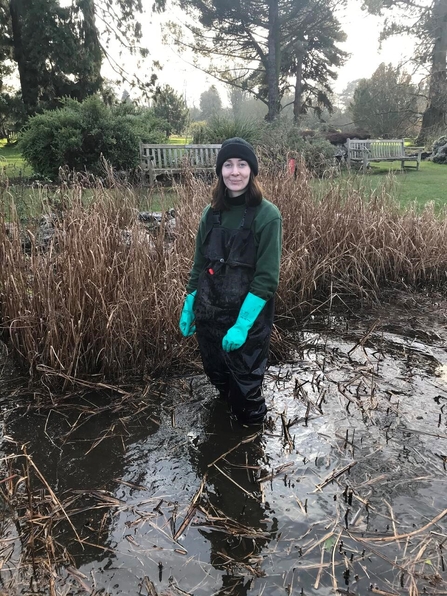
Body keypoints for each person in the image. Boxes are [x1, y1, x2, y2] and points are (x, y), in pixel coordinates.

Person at [179, 137, 282, 426]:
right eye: (228, 165)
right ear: (220, 171)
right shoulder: (210, 214)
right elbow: (200, 263)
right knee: (218, 378)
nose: (234, 172)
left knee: (246, 393)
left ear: (251, 171)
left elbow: (267, 277)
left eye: (242, 164)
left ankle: (251, 445)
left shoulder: (267, 215)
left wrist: (241, 325)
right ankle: (225, 432)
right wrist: (189, 303)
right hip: (210, 313)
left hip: (248, 319)